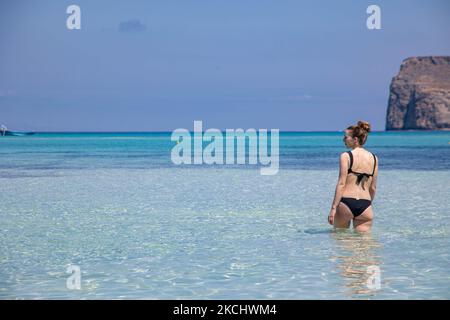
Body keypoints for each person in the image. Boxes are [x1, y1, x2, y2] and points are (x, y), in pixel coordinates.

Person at [328, 121, 378, 232]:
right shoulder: (374, 158)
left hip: (346, 203)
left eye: (346, 137)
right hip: (365, 205)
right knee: (363, 246)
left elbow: (341, 183)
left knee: (341, 243)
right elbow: (373, 188)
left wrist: (333, 208)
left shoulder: (346, 156)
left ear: (355, 139)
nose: (343, 140)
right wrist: (366, 205)